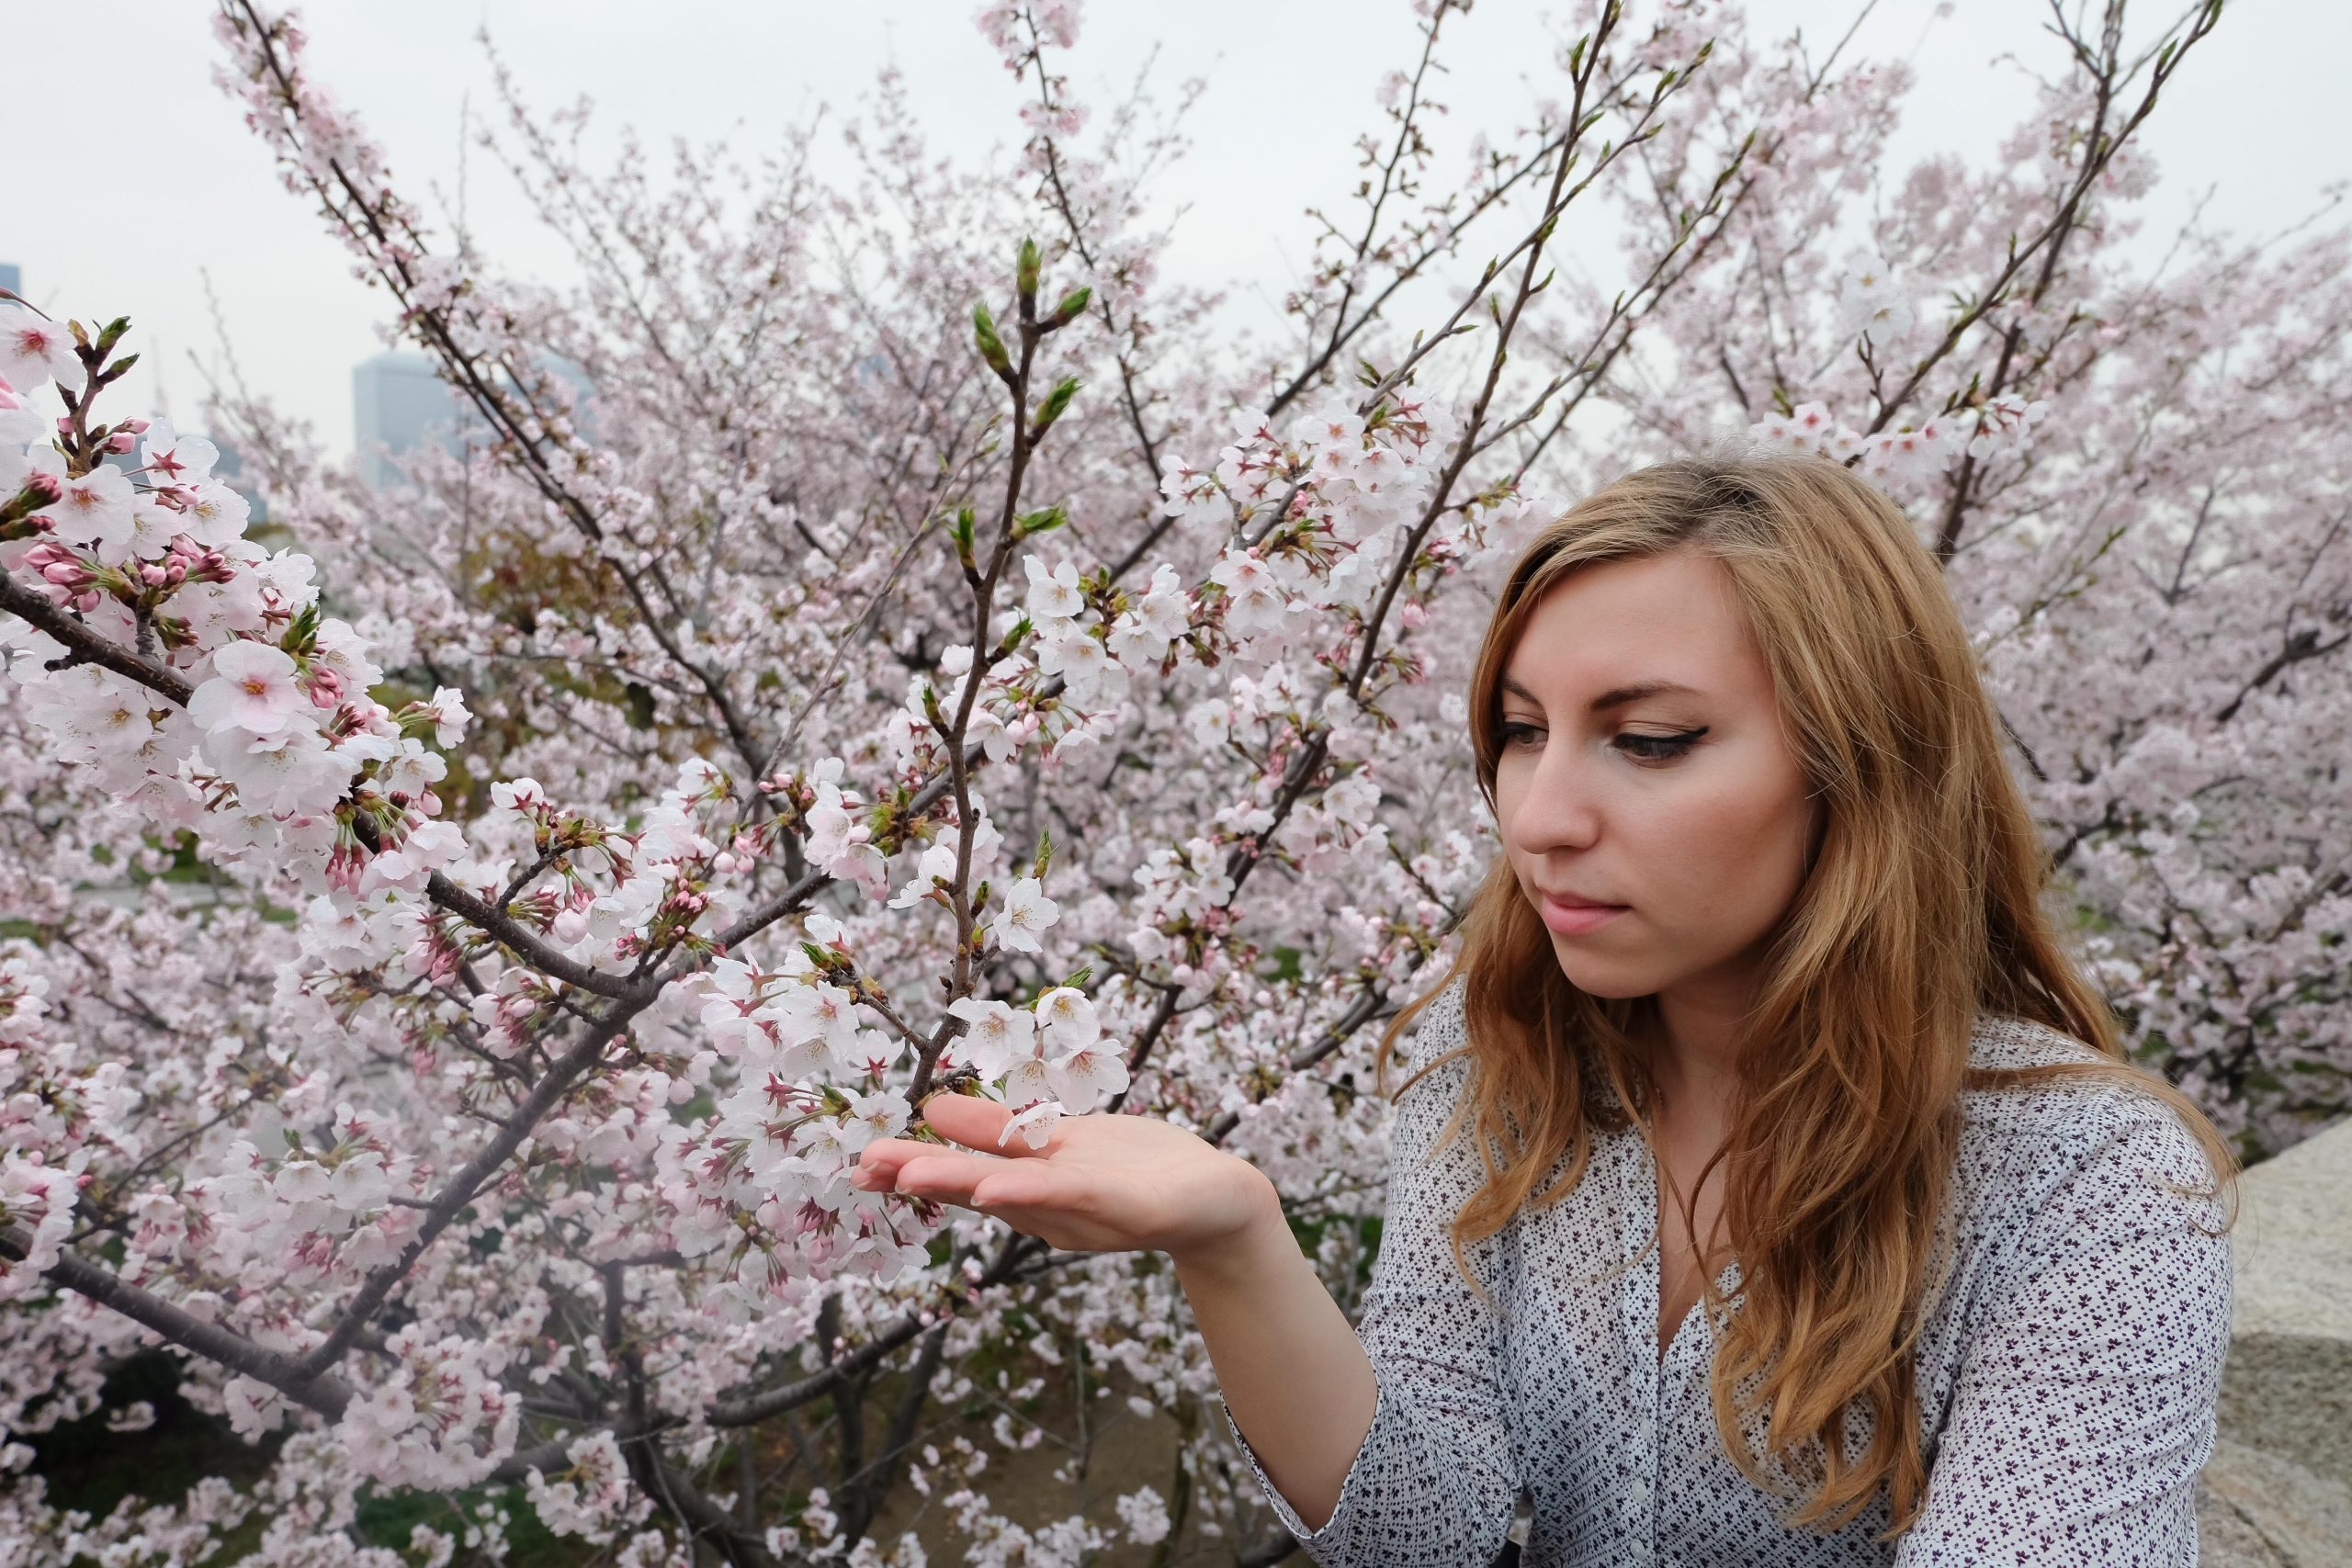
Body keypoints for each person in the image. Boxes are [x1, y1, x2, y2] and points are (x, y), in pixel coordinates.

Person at [848, 456, 2236, 1566]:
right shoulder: (1493, 1072)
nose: (1540, 816)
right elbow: (1420, 1534)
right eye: (1520, 731)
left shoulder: (2088, 1183)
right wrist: (1237, 1247)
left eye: (1650, 741)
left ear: (1860, 767)